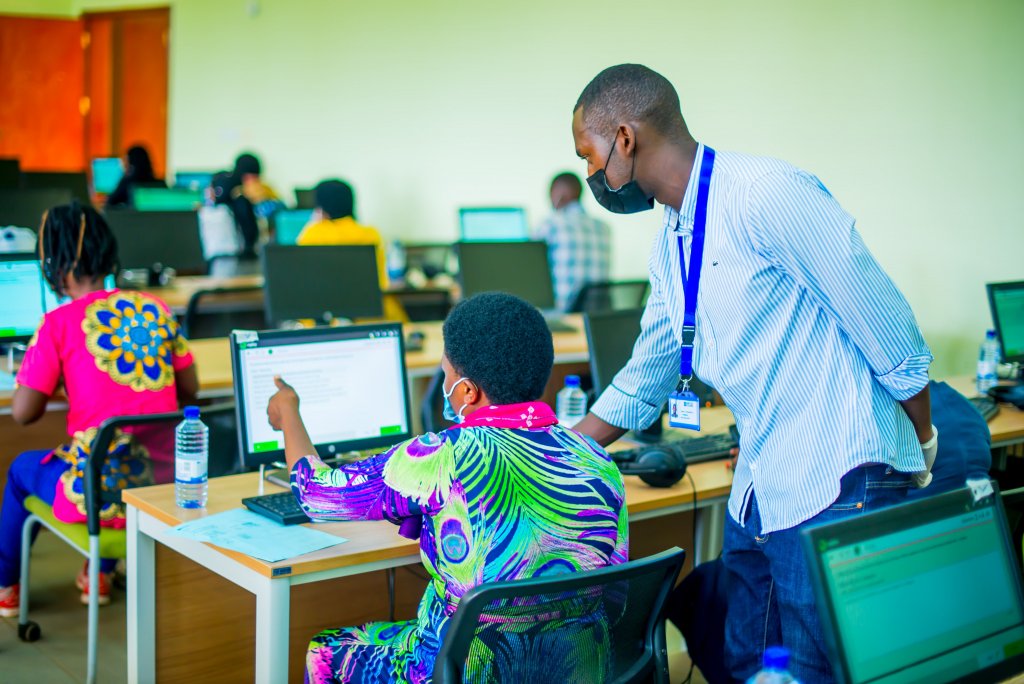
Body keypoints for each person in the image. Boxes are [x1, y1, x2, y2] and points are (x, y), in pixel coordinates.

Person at [569, 64, 935, 683]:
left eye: (589, 155)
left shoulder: (767, 193)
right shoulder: (674, 235)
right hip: (765, 484)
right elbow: (650, 365)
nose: (589, 175)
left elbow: (886, 325)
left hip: (841, 476)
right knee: (744, 663)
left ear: (624, 138)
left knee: (818, 671)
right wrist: (561, 450)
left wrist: (921, 442)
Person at [266, 292, 628, 683]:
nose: (445, 383)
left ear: (468, 391)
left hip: (458, 670)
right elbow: (614, 595)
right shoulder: (597, 457)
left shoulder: (441, 456)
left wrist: (288, 412)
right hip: (576, 669)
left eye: (447, 374)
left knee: (326, 650)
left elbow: (316, 493)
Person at [0, 203, 197, 616]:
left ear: (53, 264)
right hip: (159, 487)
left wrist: (50, 373)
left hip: (97, 496)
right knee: (117, 450)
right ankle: (99, 572)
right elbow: (189, 390)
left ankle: (6, 586)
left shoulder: (59, 323)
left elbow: (23, 414)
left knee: (22, 468)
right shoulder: (156, 309)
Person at [297, 179, 406, 321]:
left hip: (327, 318)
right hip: (373, 315)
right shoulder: (370, 234)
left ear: (320, 206)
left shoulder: (312, 234)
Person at [534, 171, 612, 312]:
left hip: (560, 316)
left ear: (559, 194)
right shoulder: (604, 228)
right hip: (596, 318)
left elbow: (527, 268)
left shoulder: (550, 225)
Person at [232, 152, 282, 219]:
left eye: (255, 178)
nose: (251, 182)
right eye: (247, 178)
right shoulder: (235, 192)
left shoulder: (266, 189)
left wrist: (261, 200)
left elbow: (283, 209)